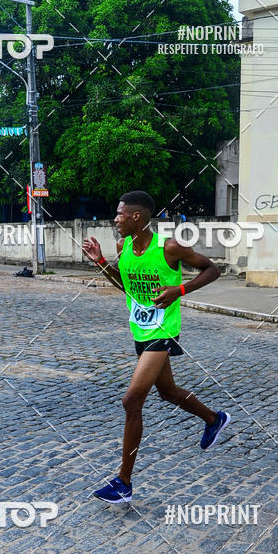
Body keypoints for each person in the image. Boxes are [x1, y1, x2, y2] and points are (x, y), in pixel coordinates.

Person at [82, 190, 230, 504]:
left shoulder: (170, 247)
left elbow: (212, 269)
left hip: (163, 330)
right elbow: (127, 286)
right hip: (140, 329)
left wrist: (179, 289)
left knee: (132, 400)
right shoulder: (123, 246)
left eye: (120, 214)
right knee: (167, 392)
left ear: (137, 216)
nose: (116, 219)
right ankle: (214, 419)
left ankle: (123, 482)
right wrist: (102, 263)